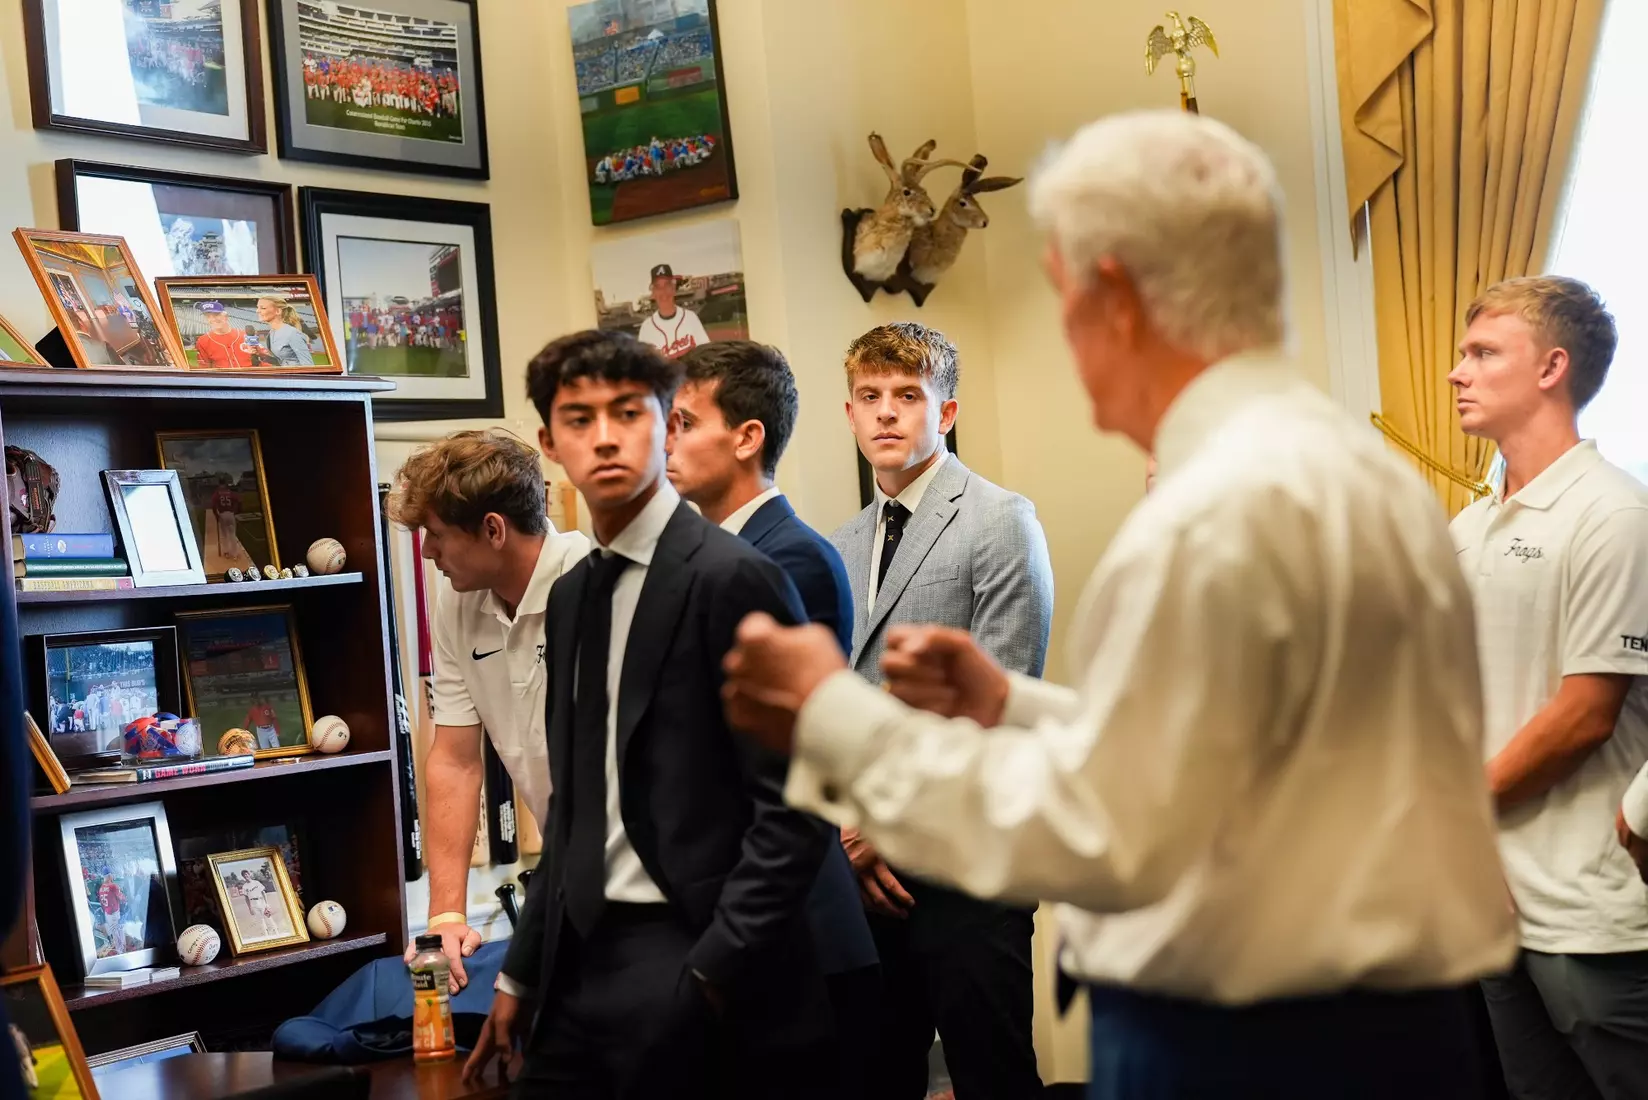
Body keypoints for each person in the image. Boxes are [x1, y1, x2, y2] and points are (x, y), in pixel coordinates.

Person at [721, 110, 1519, 1099]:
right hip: (1375, 1012)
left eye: (1060, 301)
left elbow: (1109, 826)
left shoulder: (1214, 512)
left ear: (1113, 296)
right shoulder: (1344, 465)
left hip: (1258, 1036)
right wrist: (1010, 702)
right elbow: (1224, 755)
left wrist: (828, 715)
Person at [465, 331, 847, 1098]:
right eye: (579, 419)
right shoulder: (572, 597)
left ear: (667, 423)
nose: (604, 437)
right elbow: (574, 805)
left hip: (693, 950)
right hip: (578, 963)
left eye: (628, 413)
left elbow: (800, 798)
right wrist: (519, 975)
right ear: (550, 442)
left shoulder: (737, 576)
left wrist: (713, 966)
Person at [827, 320, 1053, 1100]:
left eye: (908, 396)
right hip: (863, 876)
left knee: (992, 1078)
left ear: (946, 413)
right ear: (851, 413)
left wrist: (879, 830)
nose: (887, 413)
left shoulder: (1000, 520)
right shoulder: (843, 542)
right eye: (870, 397)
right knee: (876, 1076)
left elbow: (994, 701)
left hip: (967, 867)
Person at [1446, 276, 1648, 1099]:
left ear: (1551, 368)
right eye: (1463, 353)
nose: (1457, 372)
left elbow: (1583, 717)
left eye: (1483, 353)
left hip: (1593, 916)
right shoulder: (1466, 526)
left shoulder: (1614, 514)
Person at [667, 339, 880, 1091]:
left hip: (795, 937)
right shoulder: (700, 557)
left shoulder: (791, 559)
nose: (668, 440)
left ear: (747, 437)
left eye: (684, 422)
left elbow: (789, 764)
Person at [387, 430, 590, 993]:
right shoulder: (455, 597)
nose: (426, 552)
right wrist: (446, 914)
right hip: (570, 869)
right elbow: (454, 758)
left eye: (437, 535)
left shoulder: (598, 583)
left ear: (494, 530)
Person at [636, 263, 710, 360]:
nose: (663, 291)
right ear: (653, 293)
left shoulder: (690, 318)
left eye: (667, 285)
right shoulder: (647, 329)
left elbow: (707, 354)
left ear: (673, 289)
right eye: (658, 287)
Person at [190, 301, 258, 369]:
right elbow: (204, 368)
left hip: (250, 377)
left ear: (226, 316)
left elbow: (263, 357)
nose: (213, 319)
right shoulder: (202, 341)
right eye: (208, 316)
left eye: (216, 315)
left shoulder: (246, 335)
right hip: (222, 378)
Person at [257, 296, 315, 367]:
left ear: (278, 311)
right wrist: (261, 355)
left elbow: (308, 365)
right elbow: (283, 362)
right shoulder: (271, 333)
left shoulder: (293, 333)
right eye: (258, 307)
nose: (257, 311)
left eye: (263, 308)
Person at [210, 474, 249, 568]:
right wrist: (238, 510)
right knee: (232, 534)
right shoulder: (230, 492)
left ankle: (227, 552)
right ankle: (234, 555)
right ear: (226, 484)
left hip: (222, 514)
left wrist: (216, 516)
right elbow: (239, 501)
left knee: (224, 535)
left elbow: (213, 506)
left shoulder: (217, 493)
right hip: (230, 514)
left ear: (219, 484)